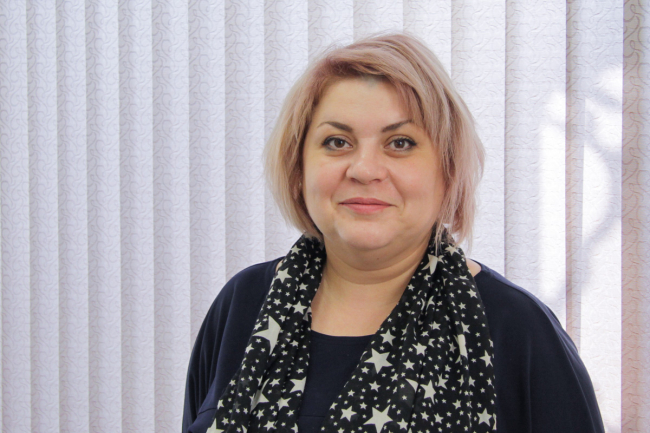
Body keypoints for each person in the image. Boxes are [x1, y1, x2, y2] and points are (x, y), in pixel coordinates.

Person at [183, 34, 604, 433]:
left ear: (447, 170)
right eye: (337, 142)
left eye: (400, 142)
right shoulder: (242, 304)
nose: (364, 170)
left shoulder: (518, 329)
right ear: (299, 168)